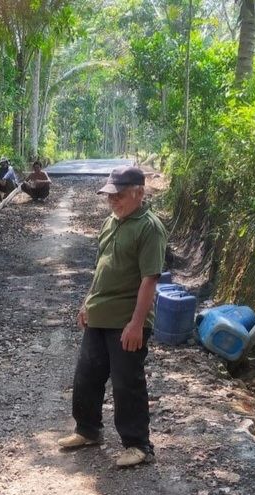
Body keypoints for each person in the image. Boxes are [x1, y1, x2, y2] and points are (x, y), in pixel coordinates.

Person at [58, 165, 166, 468]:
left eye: (119, 196)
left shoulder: (150, 228)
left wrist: (136, 323)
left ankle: (138, 445)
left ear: (139, 193)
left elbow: (149, 280)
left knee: (126, 382)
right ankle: (88, 430)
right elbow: (101, 268)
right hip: (99, 314)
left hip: (127, 320)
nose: (113, 201)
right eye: (109, 196)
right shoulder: (110, 223)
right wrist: (87, 303)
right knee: (86, 376)